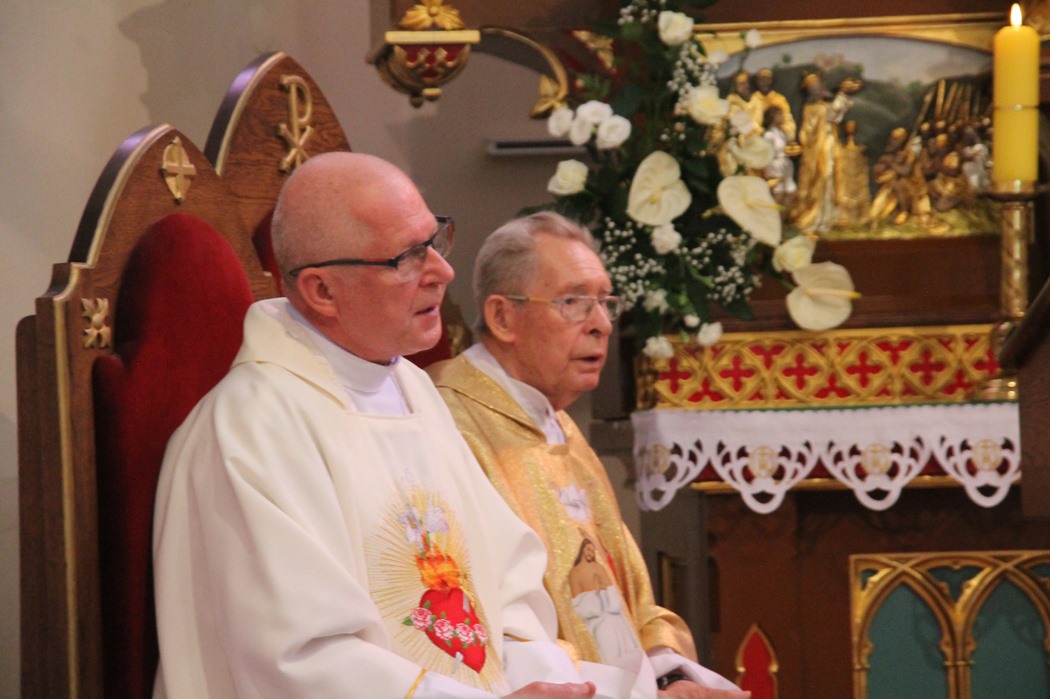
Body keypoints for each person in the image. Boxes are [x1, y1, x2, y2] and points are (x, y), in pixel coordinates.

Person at [152, 152, 613, 698]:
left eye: (434, 241)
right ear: (322, 291)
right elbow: (298, 661)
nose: (442, 272)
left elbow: (507, 586)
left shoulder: (413, 391)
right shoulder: (250, 429)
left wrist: (544, 681)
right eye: (407, 258)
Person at [427, 212, 750, 699]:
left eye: (605, 302)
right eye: (574, 302)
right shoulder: (446, 420)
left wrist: (670, 675)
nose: (601, 324)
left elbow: (631, 598)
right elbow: (477, 615)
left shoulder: (559, 427)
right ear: (502, 317)